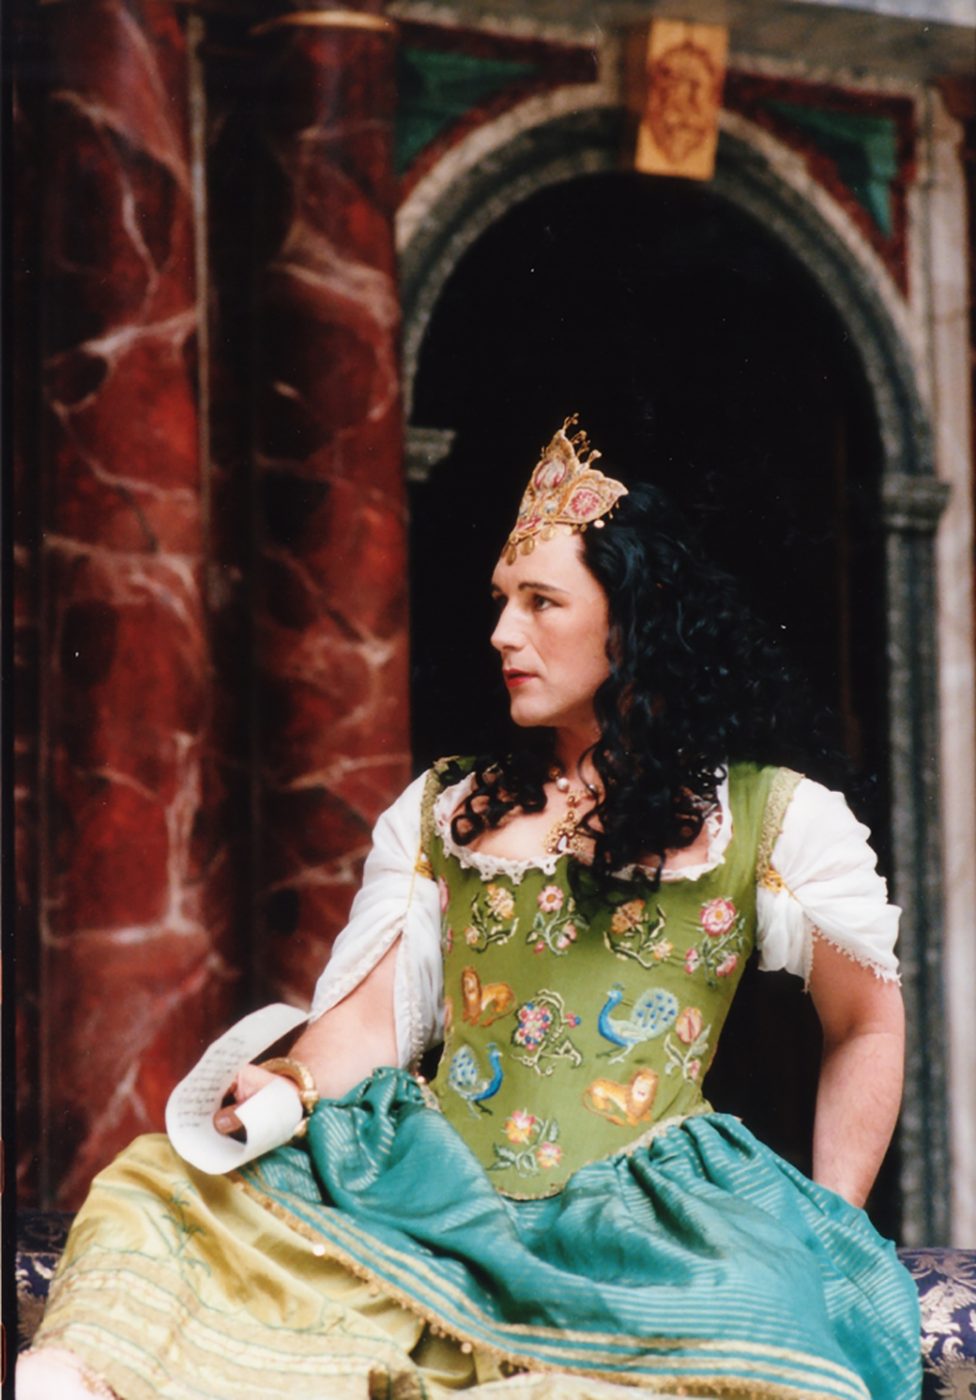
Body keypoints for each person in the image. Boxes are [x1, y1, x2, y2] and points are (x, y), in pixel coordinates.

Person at [21, 417, 921, 1399]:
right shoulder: (445, 810)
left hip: (644, 1227)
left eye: (540, 602)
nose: (502, 632)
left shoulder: (770, 819)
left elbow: (865, 1020)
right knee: (153, 1196)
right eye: (501, 601)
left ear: (631, 619)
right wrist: (286, 1089)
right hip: (432, 1197)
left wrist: (829, 1220)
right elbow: (373, 1017)